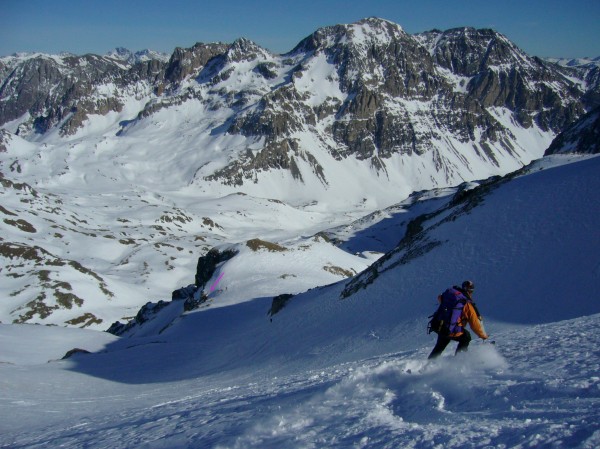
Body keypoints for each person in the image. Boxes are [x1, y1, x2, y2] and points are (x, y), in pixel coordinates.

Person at [428, 280, 488, 359]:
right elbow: (474, 323)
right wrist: (483, 336)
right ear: (471, 291)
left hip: (441, 325)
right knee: (466, 337)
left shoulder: (451, 295)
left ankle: (429, 364)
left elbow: (440, 298)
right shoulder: (466, 303)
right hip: (451, 330)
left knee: (440, 345)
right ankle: (459, 360)